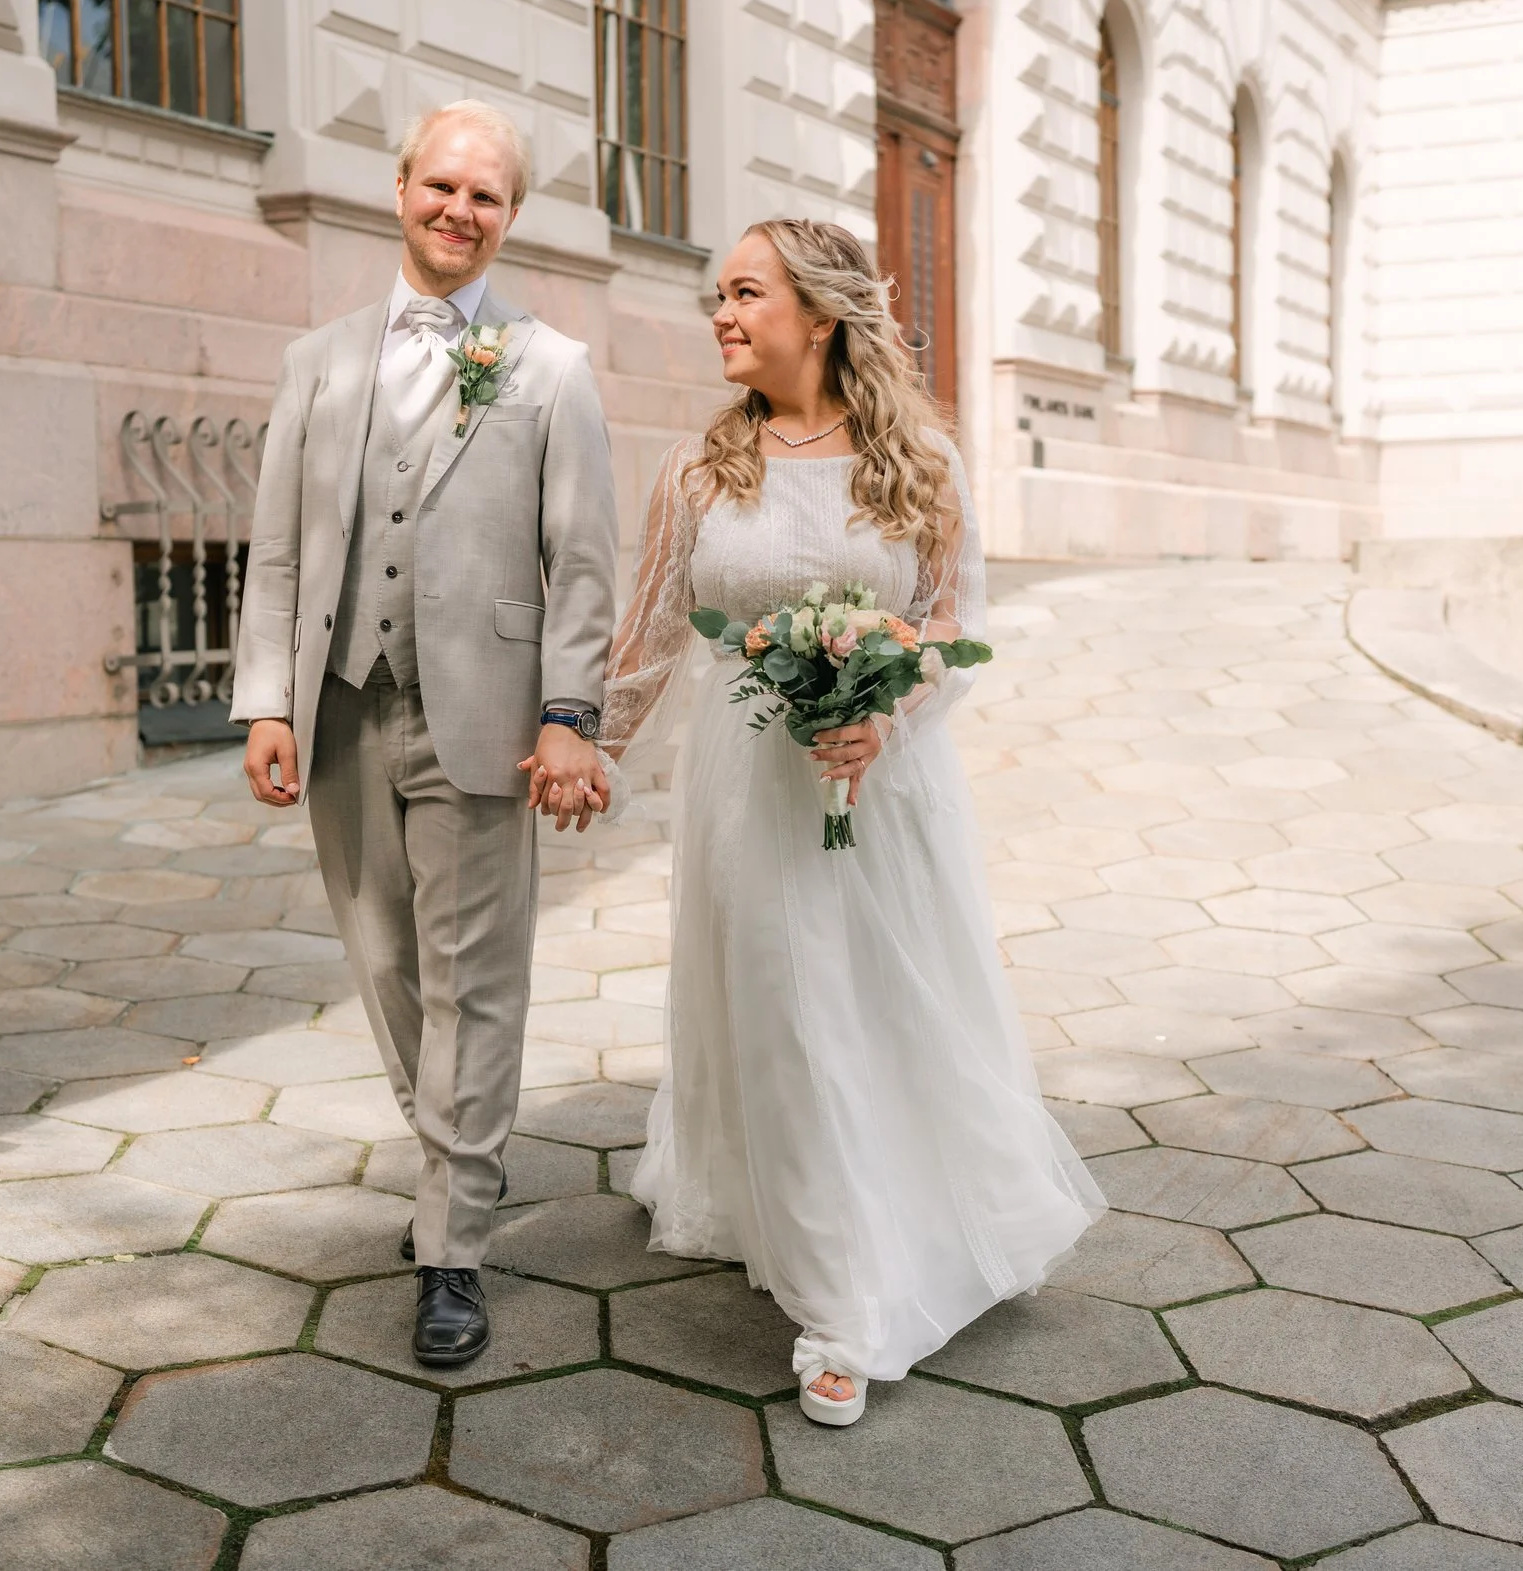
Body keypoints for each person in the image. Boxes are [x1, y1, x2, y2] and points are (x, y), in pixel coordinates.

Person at [592, 218, 1104, 1426]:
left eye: (746, 292)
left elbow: (948, 622)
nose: (721, 313)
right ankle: (841, 1298)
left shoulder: (920, 459)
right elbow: (654, 631)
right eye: (716, 293)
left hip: (883, 783)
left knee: (881, 1003)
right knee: (784, 1008)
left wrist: (886, 715)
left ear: (818, 315)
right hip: (746, 784)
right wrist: (584, 744)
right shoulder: (698, 469)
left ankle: (903, 1231)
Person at [231, 101, 618, 1369]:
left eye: (486, 196)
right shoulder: (318, 361)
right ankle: (452, 1161)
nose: (460, 210)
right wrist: (268, 701)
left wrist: (569, 717)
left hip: (489, 718)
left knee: (476, 983)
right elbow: (280, 547)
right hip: (342, 706)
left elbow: (582, 564)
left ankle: (453, 1239)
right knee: (385, 964)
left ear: (510, 217)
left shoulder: (549, 367)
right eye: (441, 185)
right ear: (399, 189)